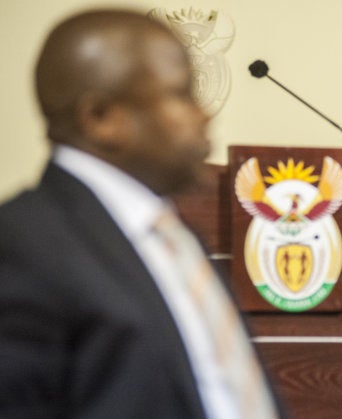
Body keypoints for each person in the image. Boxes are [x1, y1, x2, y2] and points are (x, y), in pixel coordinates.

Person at [0, 9, 280, 418]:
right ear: (101, 117)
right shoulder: (22, 243)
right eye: (182, 94)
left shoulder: (174, 236)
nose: (204, 115)